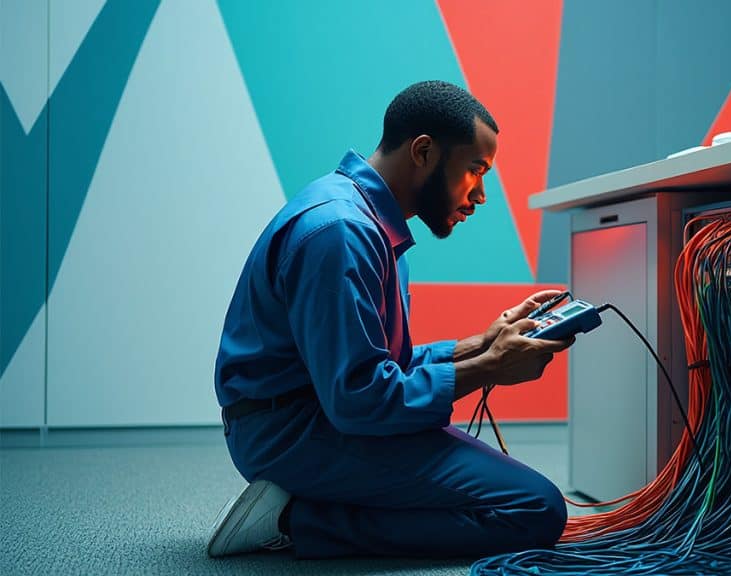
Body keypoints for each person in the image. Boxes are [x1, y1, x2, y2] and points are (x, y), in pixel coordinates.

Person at [207, 80, 572, 560]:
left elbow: (377, 366)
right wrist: (489, 367)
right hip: (289, 434)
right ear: (423, 151)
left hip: (311, 414)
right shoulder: (342, 231)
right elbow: (359, 398)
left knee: (524, 498)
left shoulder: (367, 218)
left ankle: (311, 507)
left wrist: (484, 344)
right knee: (534, 508)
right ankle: (291, 520)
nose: (481, 195)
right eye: (475, 169)